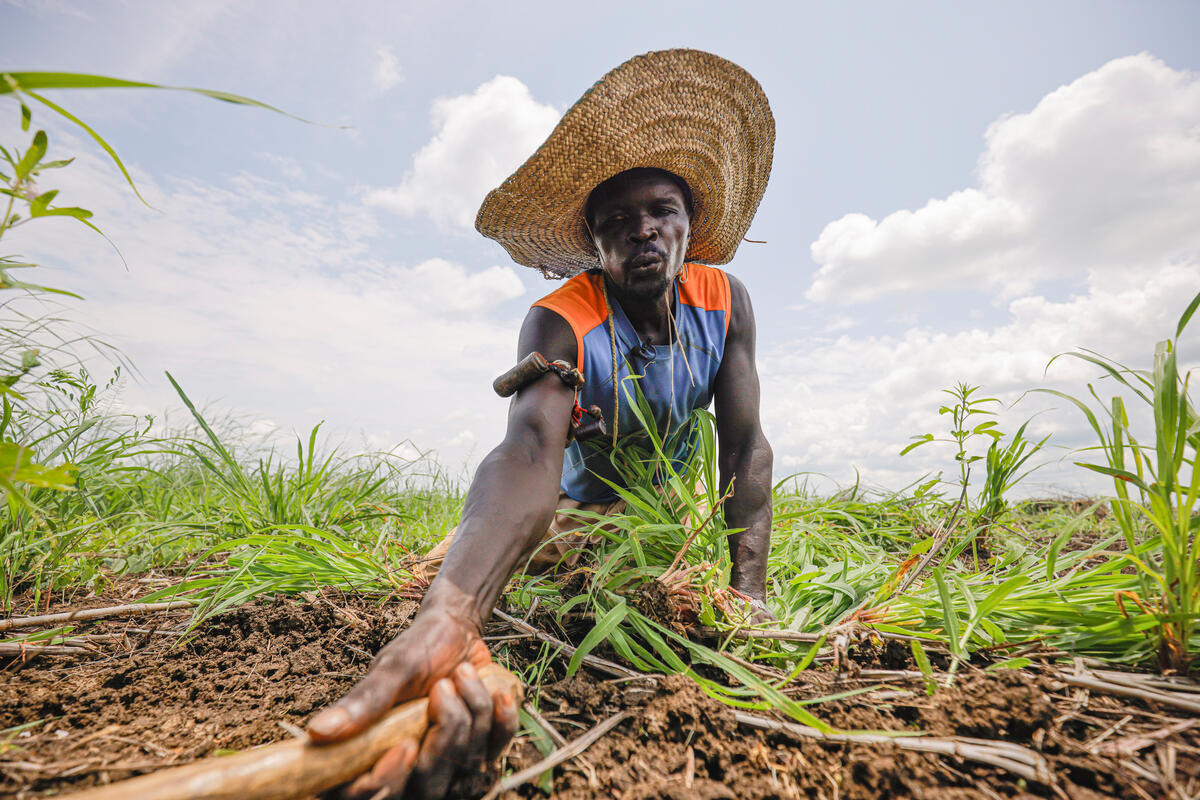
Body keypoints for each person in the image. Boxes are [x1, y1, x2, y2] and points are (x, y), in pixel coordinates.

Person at [307, 48, 776, 799]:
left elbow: (745, 444)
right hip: (571, 511)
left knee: (655, 589)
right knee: (453, 586)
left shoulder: (726, 301)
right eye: (618, 221)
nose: (643, 231)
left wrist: (747, 592)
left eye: (662, 211)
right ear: (592, 245)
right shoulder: (563, 320)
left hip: (664, 517)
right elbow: (527, 451)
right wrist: (455, 610)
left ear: (691, 226)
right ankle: (443, 623)